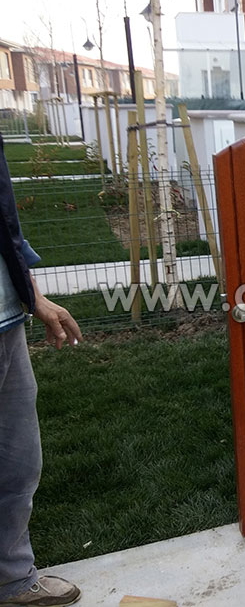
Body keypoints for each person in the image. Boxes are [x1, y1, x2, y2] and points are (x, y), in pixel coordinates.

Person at [0, 133, 83, 606]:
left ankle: (11, 578)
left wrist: (32, 296)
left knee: (19, 463)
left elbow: (3, 221)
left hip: (6, 321)